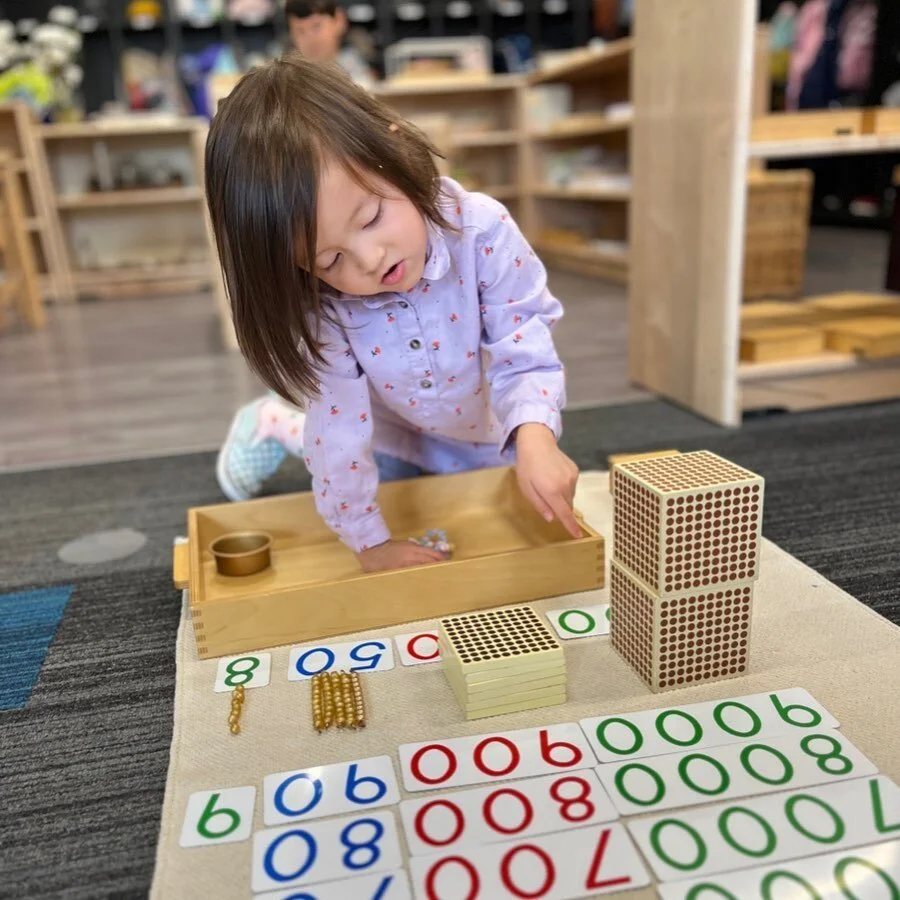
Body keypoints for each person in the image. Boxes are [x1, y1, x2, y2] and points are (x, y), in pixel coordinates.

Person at [206, 55, 579, 572]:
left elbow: (525, 344)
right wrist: (368, 543)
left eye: (373, 216)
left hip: (481, 429)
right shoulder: (326, 305)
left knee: (514, 490)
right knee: (373, 477)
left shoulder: (483, 231)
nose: (370, 259)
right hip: (390, 427)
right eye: (331, 259)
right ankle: (275, 423)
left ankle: (280, 418)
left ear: (395, 146)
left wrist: (536, 436)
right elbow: (338, 435)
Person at [215, 1, 372, 502]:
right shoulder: (280, 89)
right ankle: (276, 421)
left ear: (340, 23)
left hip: (356, 229)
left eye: (319, 25)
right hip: (319, 242)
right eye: (300, 29)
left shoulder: (360, 79)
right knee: (355, 430)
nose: (312, 37)